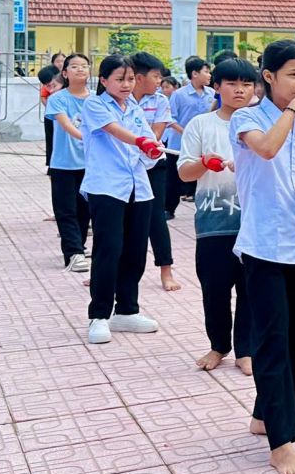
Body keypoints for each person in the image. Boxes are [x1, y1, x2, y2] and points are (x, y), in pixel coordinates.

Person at [231, 40, 295, 474]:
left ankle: (266, 415)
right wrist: (293, 108)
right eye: (293, 74)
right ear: (269, 77)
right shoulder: (247, 119)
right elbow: (268, 150)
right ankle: (281, 442)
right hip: (265, 244)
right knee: (271, 339)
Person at [177, 57, 258, 374]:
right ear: (216, 87)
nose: (240, 90)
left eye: (246, 84)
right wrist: (203, 163)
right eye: (232, 84)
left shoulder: (262, 124)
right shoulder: (201, 124)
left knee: (251, 289)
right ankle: (218, 345)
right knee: (215, 289)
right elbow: (184, 172)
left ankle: (246, 350)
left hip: (254, 223)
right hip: (213, 222)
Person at [79, 55, 161, 345]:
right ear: (103, 80)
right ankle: (99, 315)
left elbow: (146, 139)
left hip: (138, 187)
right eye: (119, 79)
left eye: (130, 79)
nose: (126, 85)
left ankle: (126, 310)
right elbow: (114, 130)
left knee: (135, 251)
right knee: (108, 250)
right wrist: (140, 142)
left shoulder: (135, 108)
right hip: (107, 187)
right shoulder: (95, 105)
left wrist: (152, 149)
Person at [130, 52, 179, 292]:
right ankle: (105, 269)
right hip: (124, 165)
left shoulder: (160, 101)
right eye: (156, 76)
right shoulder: (119, 99)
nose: (160, 81)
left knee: (156, 217)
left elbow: (155, 136)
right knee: (118, 218)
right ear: (139, 77)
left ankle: (166, 270)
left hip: (153, 164)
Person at [45, 52, 92, 274]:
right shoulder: (58, 99)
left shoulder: (96, 100)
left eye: (84, 66)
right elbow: (66, 125)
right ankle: (74, 253)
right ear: (65, 73)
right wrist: (90, 137)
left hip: (90, 164)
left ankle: (78, 247)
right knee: (66, 210)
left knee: (84, 210)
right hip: (63, 164)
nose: (80, 69)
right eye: (74, 66)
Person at [166, 56, 215, 218]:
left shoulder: (212, 94)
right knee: (173, 178)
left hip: (204, 144)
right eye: (206, 72)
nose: (209, 75)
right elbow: (170, 119)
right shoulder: (179, 95)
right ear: (195, 73)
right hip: (178, 144)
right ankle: (169, 209)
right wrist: (186, 132)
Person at [38, 63, 61, 169]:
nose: (51, 89)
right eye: (47, 86)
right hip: (52, 115)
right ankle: (51, 164)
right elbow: (43, 97)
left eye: (53, 85)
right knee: (51, 140)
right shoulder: (51, 95)